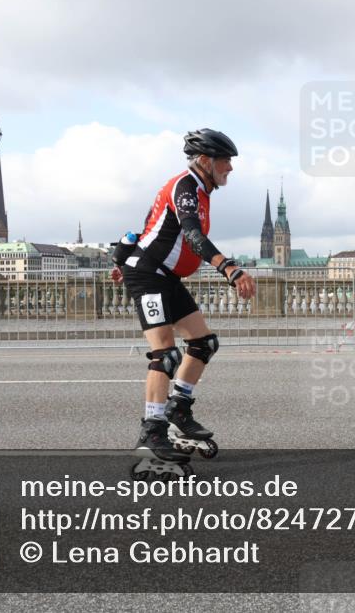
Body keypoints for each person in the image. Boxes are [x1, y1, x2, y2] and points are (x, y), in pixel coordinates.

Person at [112, 128, 256, 465]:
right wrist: (229, 268)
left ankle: (178, 408)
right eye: (225, 161)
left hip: (166, 276)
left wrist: (119, 260)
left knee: (203, 344)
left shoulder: (200, 191)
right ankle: (152, 431)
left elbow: (149, 225)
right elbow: (191, 235)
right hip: (148, 274)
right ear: (205, 160)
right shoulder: (186, 187)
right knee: (165, 355)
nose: (230, 168)